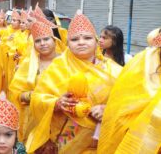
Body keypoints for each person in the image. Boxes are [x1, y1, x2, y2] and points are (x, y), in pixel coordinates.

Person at [25, 13, 122, 153]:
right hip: (65, 139)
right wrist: (57, 103)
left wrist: (108, 110)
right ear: (67, 43)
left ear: (96, 41)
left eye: (87, 38)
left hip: (103, 139)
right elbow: (38, 98)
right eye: (75, 39)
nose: (81, 42)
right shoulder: (57, 67)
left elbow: (129, 103)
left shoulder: (114, 70)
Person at [98, 28, 161, 154]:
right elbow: (122, 105)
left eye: (105, 38)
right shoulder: (143, 62)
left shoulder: (128, 59)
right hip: (136, 138)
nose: (100, 40)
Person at [8, 21, 59, 143]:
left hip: (60, 118)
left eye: (46, 39)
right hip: (34, 119)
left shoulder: (66, 62)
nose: (42, 43)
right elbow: (17, 94)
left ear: (55, 40)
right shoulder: (28, 64)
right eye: (38, 41)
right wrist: (33, 96)